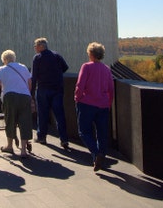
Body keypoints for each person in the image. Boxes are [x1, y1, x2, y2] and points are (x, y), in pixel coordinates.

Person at [74, 42, 115, 171]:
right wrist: (108, 104)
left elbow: (80, 85)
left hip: (87, 104)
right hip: (103, 105)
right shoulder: (106, 69)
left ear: (91, 54)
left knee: (84, 131)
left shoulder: (86, 67)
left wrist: (77, 98)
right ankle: (100, 157)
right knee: (102, 133)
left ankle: (96, 154)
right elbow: (111, 89)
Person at [0, 50, 32, 158]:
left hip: (10, 97)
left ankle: (10, 146)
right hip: (25, 96)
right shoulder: (23, 67)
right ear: (14, 58)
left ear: (4, 60)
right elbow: (29, 83)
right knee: (25, 121)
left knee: (10, 120)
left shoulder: (2, 69)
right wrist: (27, 95)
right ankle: (23, 150)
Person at [31, 37, 69, 148]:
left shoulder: (37, 58)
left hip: (43, 89)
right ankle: (64, 139)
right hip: (57, 89)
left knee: (42, 114)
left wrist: (31, 92)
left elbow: (34, 76)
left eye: (36, 45)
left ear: (41, 46)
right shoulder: (56, 55)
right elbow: (65, 68)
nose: (35, 47)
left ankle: (42, 137)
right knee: (59, 115)